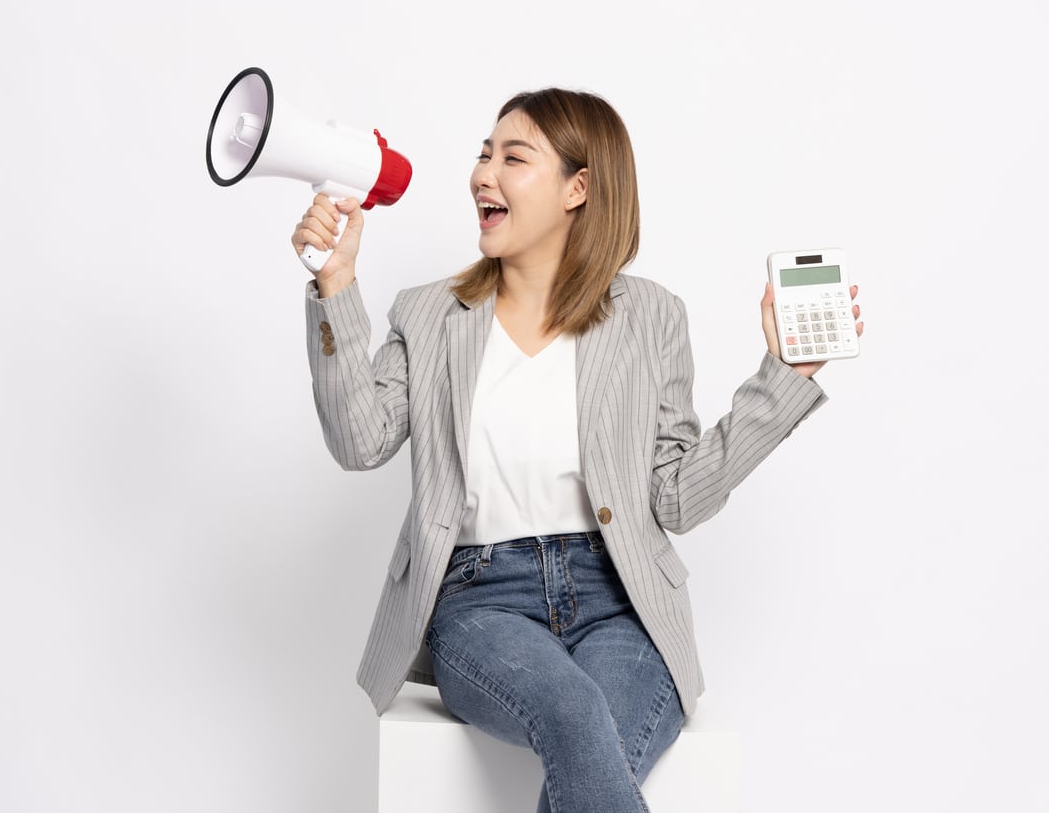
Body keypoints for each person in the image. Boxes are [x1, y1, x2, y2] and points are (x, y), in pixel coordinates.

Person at [291, 87, 863, 813]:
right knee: (573, 717)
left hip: (619, 599)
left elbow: (676, 498)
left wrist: (783, 379)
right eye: (482, 153)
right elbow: (359, 440)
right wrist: (335, 283)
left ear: (578, 188)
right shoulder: (429, 313)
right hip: (481, 600)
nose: (482, 174)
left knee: (595, 760)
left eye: (512, 157)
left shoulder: (650, 316)